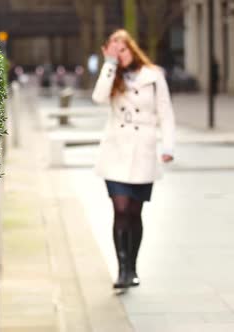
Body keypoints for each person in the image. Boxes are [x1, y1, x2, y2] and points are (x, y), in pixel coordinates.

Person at [92, 29, 175, 289]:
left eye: (123, 49)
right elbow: (98, 98)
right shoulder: (111, 76)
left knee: (135, 212)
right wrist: (109, 64)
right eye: (115, 50)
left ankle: (132, 268)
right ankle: (121, 269)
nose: (120, 54)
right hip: (116, 150)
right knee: (120, 209)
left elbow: (166, 112)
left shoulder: (153, 76)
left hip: (144, 150)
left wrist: (168, 145)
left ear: (133, 48)